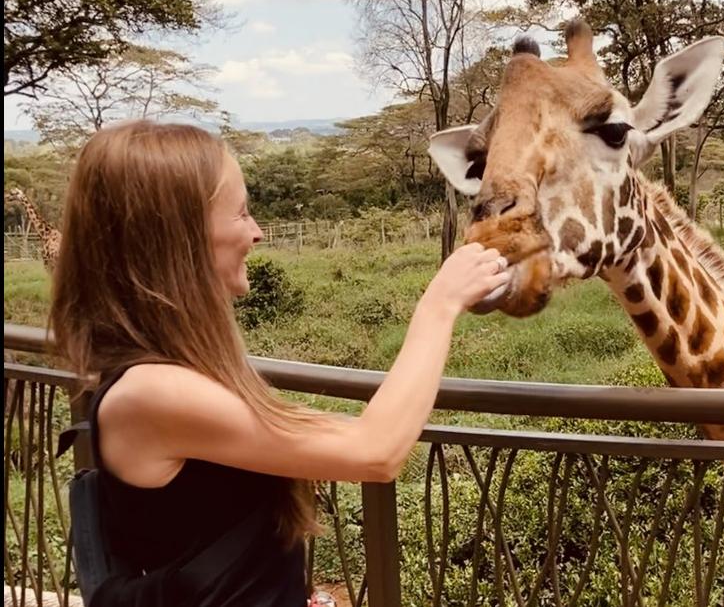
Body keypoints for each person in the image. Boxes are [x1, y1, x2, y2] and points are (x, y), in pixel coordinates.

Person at [49, 120, 510, 606]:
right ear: (177, 238)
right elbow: (375, 450)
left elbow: (215, 536)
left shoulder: (171, 373)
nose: (257, 232)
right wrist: (440, 303)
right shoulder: (151, 393)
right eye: (241, 214)